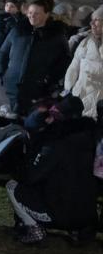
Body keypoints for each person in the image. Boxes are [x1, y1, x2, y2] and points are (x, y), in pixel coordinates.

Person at [6, 96, 97, 245]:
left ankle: (34, 229)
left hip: (61, 213)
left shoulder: (55, 143)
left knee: (12, 186)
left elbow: (31, 176)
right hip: (88, 216)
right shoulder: (92, 141)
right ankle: (80, 230)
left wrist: (18, 166)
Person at [0, 0, 70, 115]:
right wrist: (2, 73)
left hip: (36, 90)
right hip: (10, 86)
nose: (32, 16)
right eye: (30, 12)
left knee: (28, 121)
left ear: (47, 14)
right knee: (4, 121)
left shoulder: (56, 36)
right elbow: (3, 52)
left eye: (37, 13)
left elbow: (64, 62)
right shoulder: (18, 30)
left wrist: (48, 80)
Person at [63, 6, 103, 118]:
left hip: (98, 101)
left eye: (96, 20)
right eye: (92, 20)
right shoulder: (85, 42)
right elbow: (73, 67)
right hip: (79, 96)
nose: (92, 23)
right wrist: (68, 89)